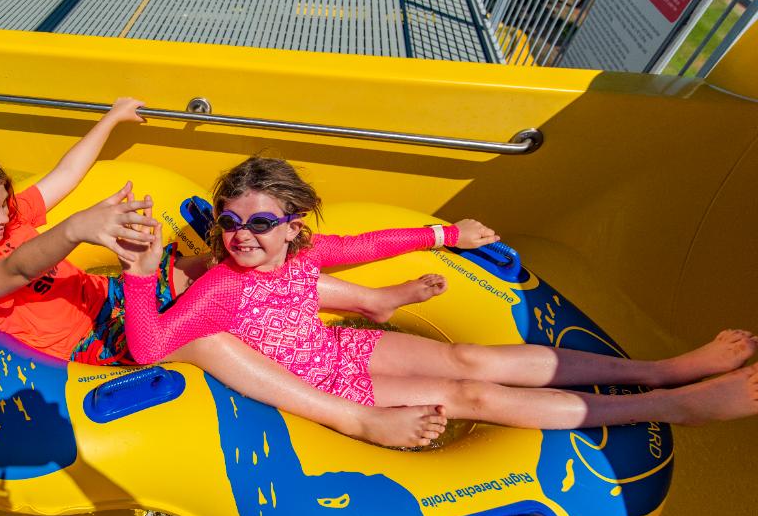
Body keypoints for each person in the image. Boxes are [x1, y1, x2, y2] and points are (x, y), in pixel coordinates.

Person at [0, 99, 451, 446]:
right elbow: (19, 268)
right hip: (95, 343)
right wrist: (77, 229)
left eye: (6, 202)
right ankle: (350, 417)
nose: (8, 215)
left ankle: (365, 301)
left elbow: (65, 173)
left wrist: (112, 117)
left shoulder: (9, 222)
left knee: (226, 262)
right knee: (208, 341)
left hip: (112, 297)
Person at [121, 156, 758, 438]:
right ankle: (673, 407)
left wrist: (450, 233)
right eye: (230, 224)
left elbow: (374, 242)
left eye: (259, 224)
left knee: (471, 358)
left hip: (344, 348)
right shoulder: (218, 287)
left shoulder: (310, 252)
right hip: (334, 389)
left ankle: (658, 370)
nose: (242, 237)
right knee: (470, 396)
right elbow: (150, 346)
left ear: (292, 224)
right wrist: (142, 273)